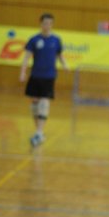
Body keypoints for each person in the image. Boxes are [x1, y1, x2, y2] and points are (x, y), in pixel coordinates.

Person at [19, 13, 67, 147]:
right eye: (44, 23)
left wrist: (65, 64)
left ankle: (39, 132)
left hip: (49, 76)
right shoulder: (34, 40)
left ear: (52, 24)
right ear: (40, 24)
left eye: (49, 23)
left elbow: (60, 55)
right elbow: (27, 57)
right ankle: (38, 131)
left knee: (44, 103)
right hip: (35, 76)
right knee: (34, 104)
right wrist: (23, 72)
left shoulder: (56, 40)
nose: (47, 25)